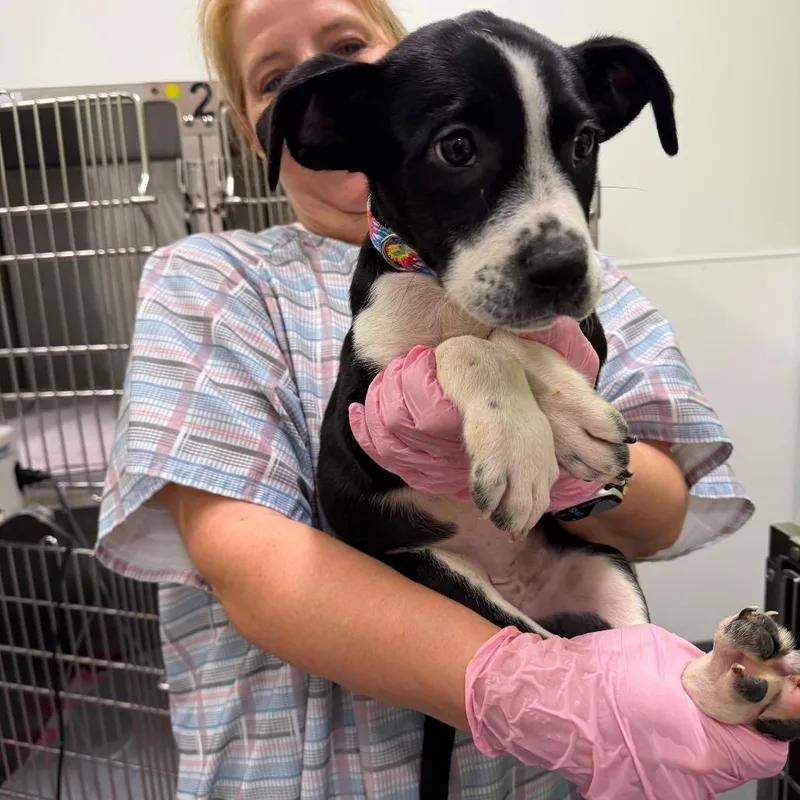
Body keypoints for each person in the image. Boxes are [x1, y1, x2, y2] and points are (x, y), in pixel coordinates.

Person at [95, 0, 787, 797]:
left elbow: (660, 510)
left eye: (346, 43)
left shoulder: (592, 288)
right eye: (277, 78)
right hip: (298, 765)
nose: (321, 75)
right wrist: (550, 689)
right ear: (288, 128)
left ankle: (703, 688)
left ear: (397, 53)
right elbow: (246, 561)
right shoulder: (211, 283)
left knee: (609, 607)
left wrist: (587, 475)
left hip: (535, 769)